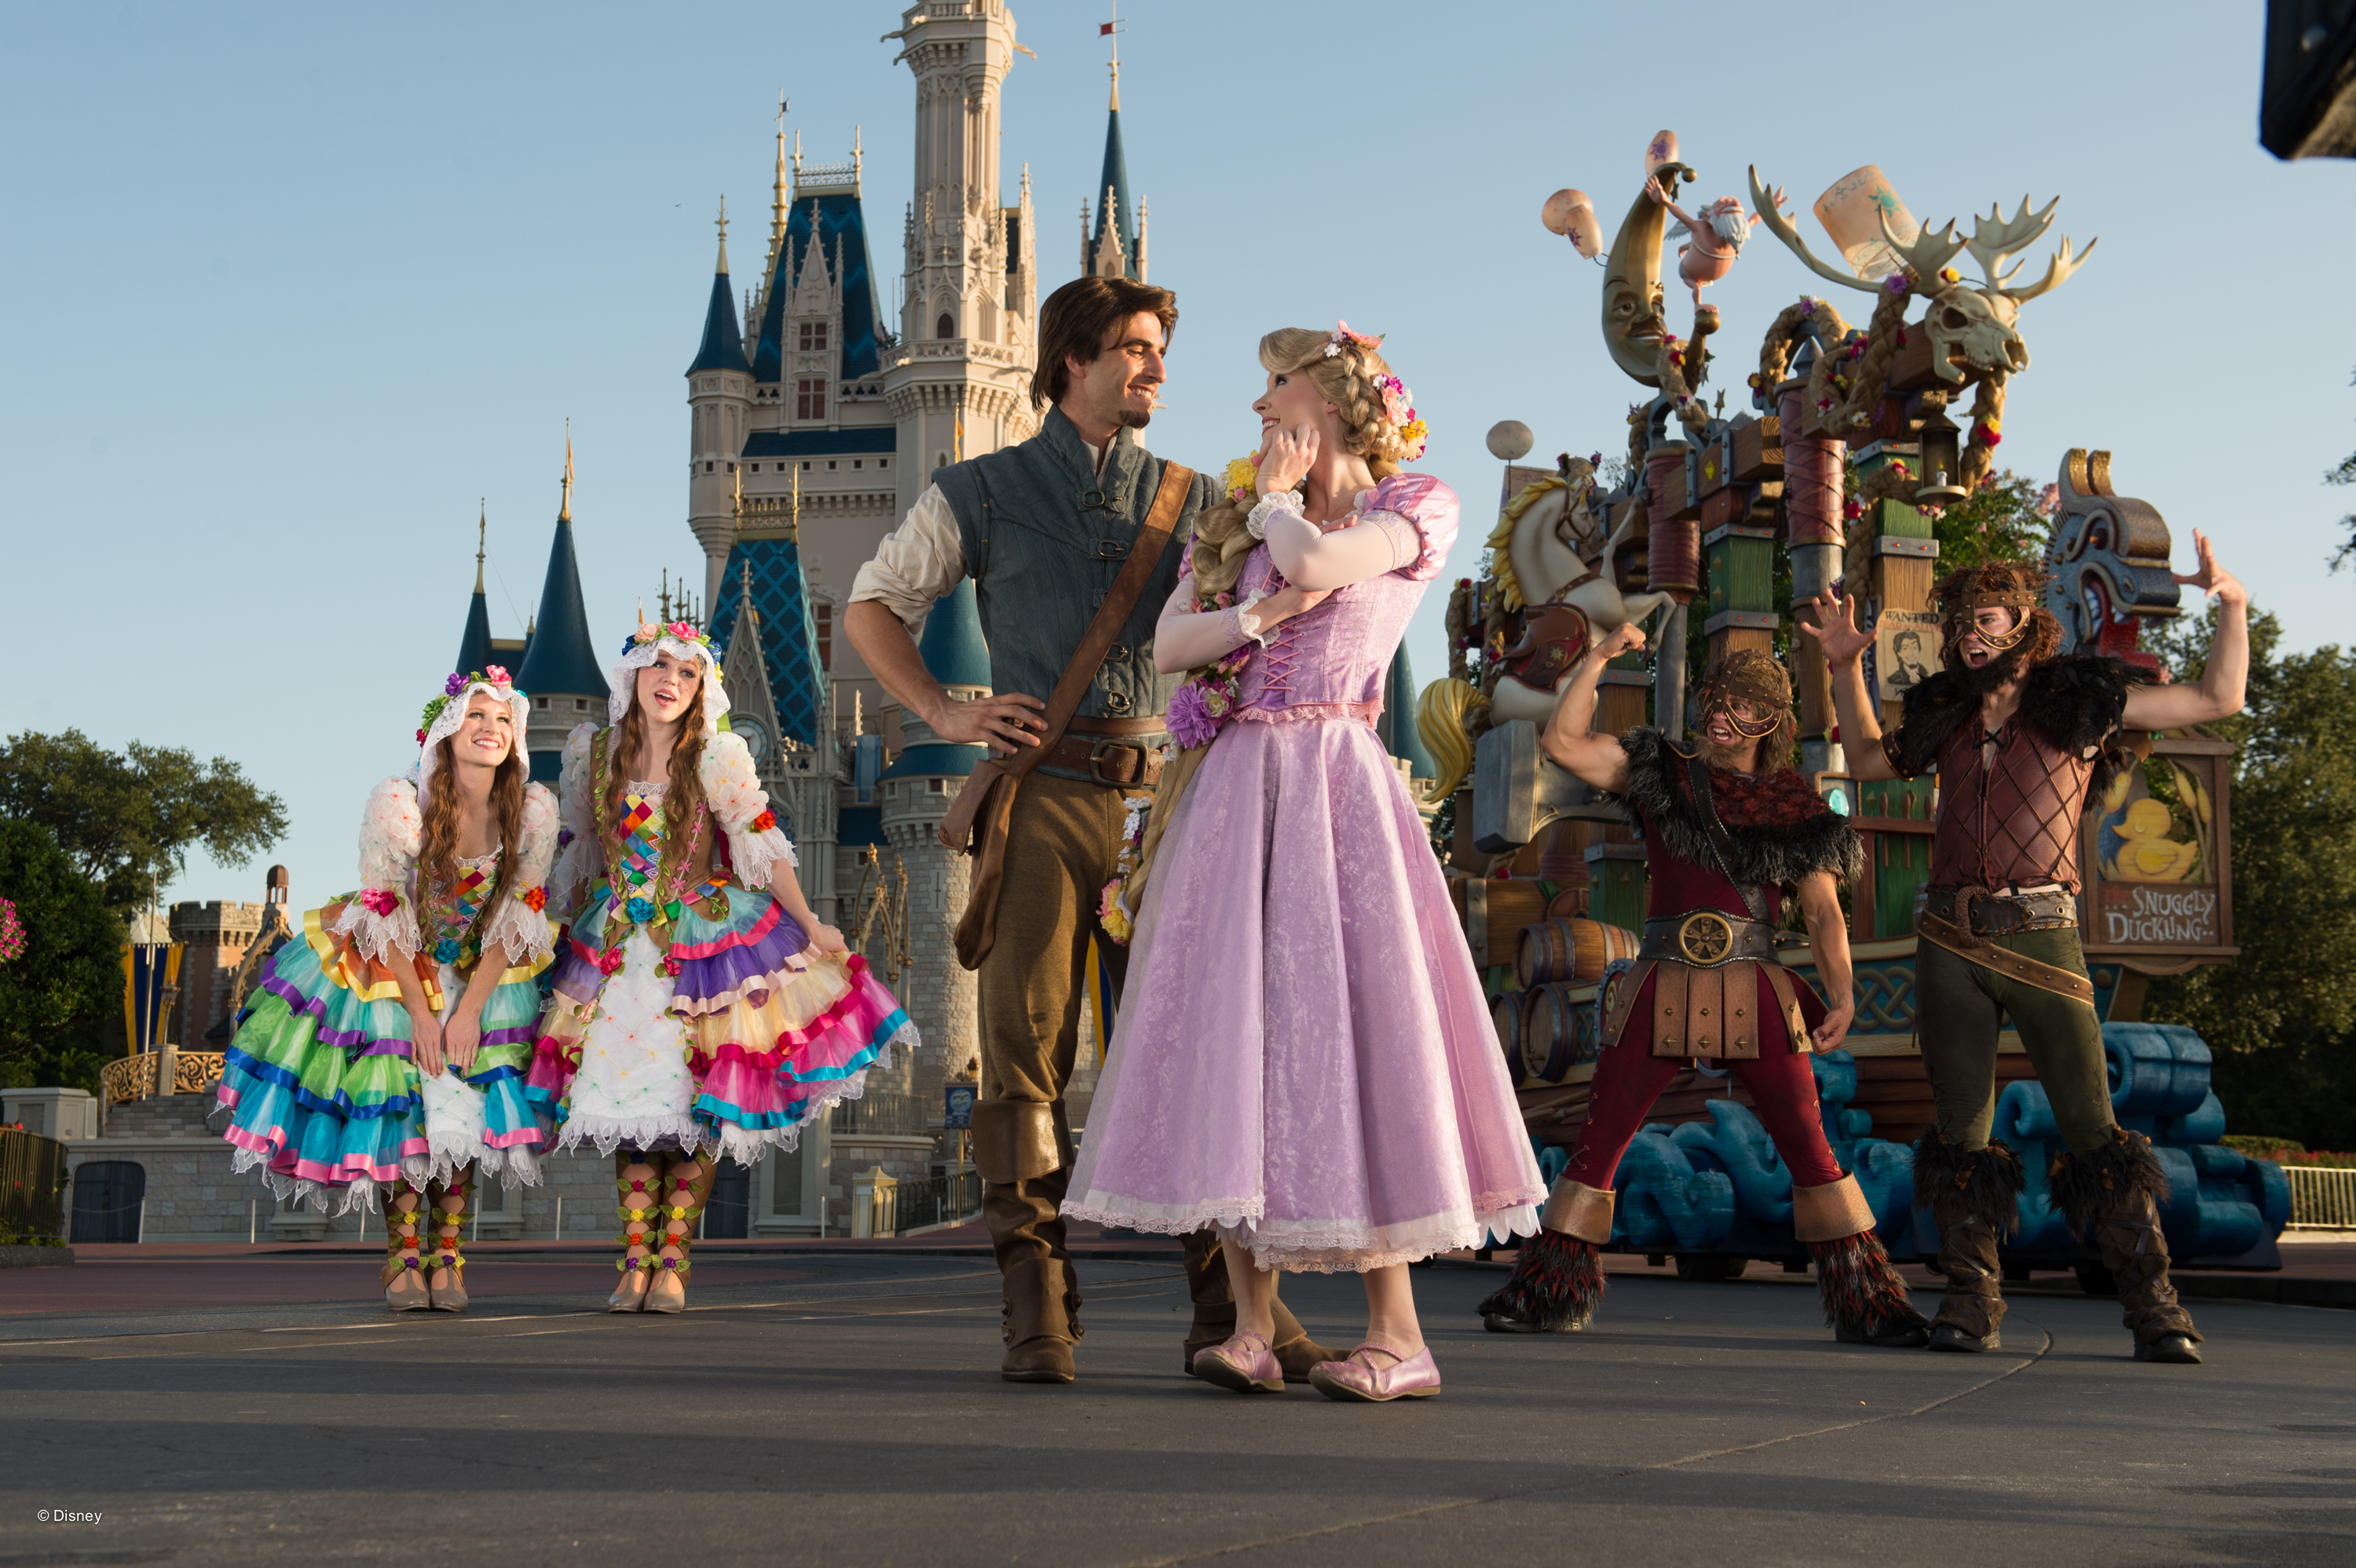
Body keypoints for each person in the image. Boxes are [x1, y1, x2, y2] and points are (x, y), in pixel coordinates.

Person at [845, 278, 1338, 1386]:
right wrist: (941, 711)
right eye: (1134, 348)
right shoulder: (977, 489)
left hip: (1167, 801)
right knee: (1025, 1057)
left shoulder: (1199, 496)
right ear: (1071, 360)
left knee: (1195, 1050)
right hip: (1040, 798)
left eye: (1161, 348)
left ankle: (1233, 1313)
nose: (1156, 367)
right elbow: (871, 606)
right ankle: (1036, 1305)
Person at [1063, 323, 1546, 1404]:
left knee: (1352, 1037)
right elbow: (1172, 648)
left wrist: (1277, 517)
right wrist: (1251, 609)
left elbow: (1324, 564)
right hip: (1236, 793)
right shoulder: (1234, 522)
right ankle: (1249, 1326)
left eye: (1275, 386)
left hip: (1333, 783)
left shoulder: (1414, 505)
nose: (1257, 409)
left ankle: (1398, 1334)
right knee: (1237, 1040)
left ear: (1330, 399)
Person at [1802, 540, 2248, 1363]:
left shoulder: (2079, 701)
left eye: (1987, 620)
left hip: (2043, 932)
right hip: (1949, 936)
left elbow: (2219, 696)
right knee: (1960, 1131)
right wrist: (1842, 665)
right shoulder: (1946, 714)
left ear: (2024, 627)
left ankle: (2157, 1309)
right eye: (1961, 623)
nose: (1971, 635)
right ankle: (1971, 1303)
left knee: (2092, 1125)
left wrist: (2230, 605)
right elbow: (1866, 760)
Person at [1474, 640, 1928, 1347]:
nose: (1722, 715)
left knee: (1811, 1147)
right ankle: (1548, 1291)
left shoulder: (1794, 804)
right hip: (1660, 977)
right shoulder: (1662, 772)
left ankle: (1871, 1303)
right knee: (1599, 1145)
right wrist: (1596, 656)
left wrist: (1841, 994)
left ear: (1769, 719)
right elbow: (1564, 741)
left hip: (1757, 983)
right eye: (1718, 699)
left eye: (1743, 705)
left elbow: (1823, 911)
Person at [526, 620, 912, 1313]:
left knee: (696, 1107)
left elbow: (759, 841)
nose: (671, 682)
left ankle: (672, 1257)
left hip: (705, 945)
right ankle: (634, 1259)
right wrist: (556, 934)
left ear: (701, 687)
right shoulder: (592, 755)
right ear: (634, 675)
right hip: (617, 950)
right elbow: (579, 853)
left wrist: (814, 924)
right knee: (631, 1107)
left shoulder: (717, 755)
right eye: (660, 668)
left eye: (687, 673)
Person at [216, 668, 558, 1312]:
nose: (490, 729)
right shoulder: (398, 802)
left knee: (463, 1110)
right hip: (392, 963)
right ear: (446, 732)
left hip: (482, 970)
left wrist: (471, 1011)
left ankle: (449, 1251)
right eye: (476, 716)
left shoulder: (533, 809)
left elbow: (521, 917)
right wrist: (423, 1013)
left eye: (503, 719)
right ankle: (403, 1252)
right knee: (400, 1104)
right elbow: (383, 911)